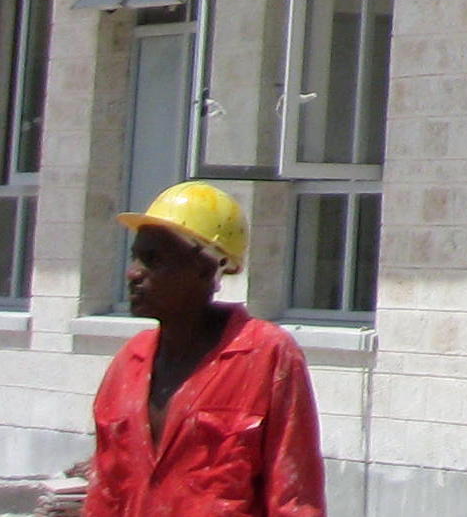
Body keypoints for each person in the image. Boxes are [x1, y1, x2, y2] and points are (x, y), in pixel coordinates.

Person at [83, 183, 324, 517]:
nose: (134, 273)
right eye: (135, 257)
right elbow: (106, 494)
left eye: (154, 260)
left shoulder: (267, 356)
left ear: (205, 269)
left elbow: (295, 498)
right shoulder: (128, 364)